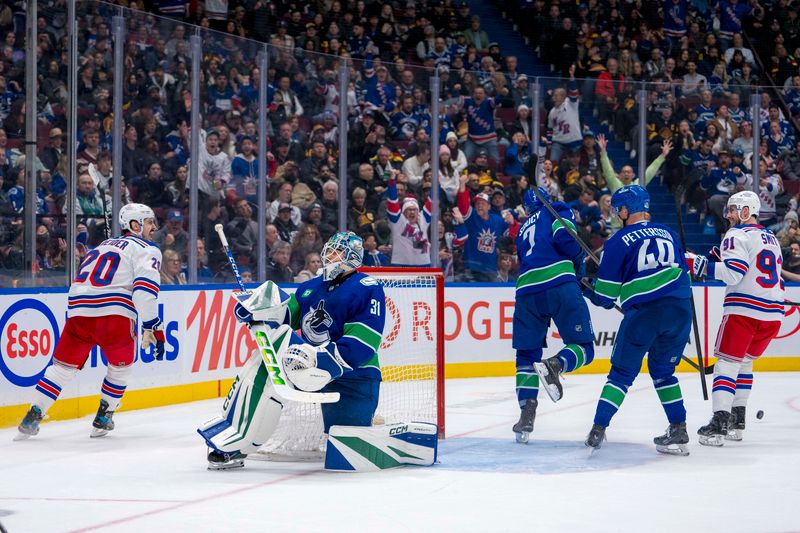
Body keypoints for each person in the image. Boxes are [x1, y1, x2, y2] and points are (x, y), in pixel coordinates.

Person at [201, 232, 386, 469]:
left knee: (345, 454)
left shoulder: (366, 287)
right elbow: (284, 314)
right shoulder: (310, 287)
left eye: (337, 251)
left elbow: (364, 343)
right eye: (328, 249)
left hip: (354, 375)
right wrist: (256, 310)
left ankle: (371, 424)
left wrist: (324, 360)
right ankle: (236, 439)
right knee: (265, 362)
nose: (329, 255)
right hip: (307, 364)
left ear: (352, 258)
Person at [17, 204, 165, 439]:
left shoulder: (101, 246)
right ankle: (104, 417)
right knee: (120, 368)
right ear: (135, 225)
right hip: (114, 315)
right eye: (149, 222)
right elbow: (143, 294)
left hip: (78, 312)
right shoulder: (148, 249)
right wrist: (152, 325)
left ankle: (33, 415)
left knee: (62, 368)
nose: (154, 227)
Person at [583, 186, 693, 455]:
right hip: (681, 308)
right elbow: (684, 269)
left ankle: (598, 429)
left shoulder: (618, 241)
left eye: (617, 209)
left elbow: (607, 297)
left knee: (621, 375)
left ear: (624, 210)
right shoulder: (667, 232)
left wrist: (586, 287)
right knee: (664, 372)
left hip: (646, 312)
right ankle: (679, 428)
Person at [692, 191, 784, 446]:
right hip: (773, 315)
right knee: (744, 364)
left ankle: (719, 424)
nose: (728, 215)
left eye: (733, 210)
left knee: (726, 365)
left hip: (744, 312)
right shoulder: (771, 238)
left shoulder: (735, 235)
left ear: (746, 211)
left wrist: (699, 265)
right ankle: (737, 422)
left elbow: (733, 275)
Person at [509, 187, 594, 443]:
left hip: (526, 291)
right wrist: (579, 264)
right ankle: (556, 364)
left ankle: (526, 413)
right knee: (584, 348)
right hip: (558, 282)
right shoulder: (557, 209)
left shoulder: (522, 229)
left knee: (526, 354)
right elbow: (567, 242)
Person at [386, 178, 431, 266]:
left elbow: (433, 201)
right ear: (404, 212)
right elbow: (392, 202)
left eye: (414, 210)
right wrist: (391, 181)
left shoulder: (423, 218)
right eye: (409, 210)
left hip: (423, 264)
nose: (412, 212)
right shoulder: (398, 220)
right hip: (401, 264)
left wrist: (437, 183)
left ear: (418, 211)